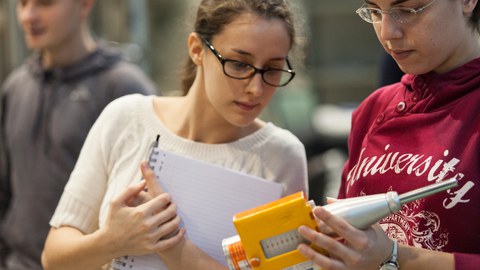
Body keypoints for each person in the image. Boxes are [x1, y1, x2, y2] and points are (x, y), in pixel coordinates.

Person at [41, 0, 308, 269]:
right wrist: (114, 241)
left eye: (272, 69)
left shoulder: (282, 156)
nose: (256, 88)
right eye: (239, 64)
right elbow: (54, 258)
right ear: (196, 49)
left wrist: (172, 244)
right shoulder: (126, 119)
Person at [297, 0, 480, 269]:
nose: (387, 32)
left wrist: (398, 257)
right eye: (374, 12)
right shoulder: (375, 108)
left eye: (407, 11)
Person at [0, 0, 156, 269]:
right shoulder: (16, 87)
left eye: (45, 3)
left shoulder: (124, 89)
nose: (28, 16)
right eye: (22, 3)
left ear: (84, 4)